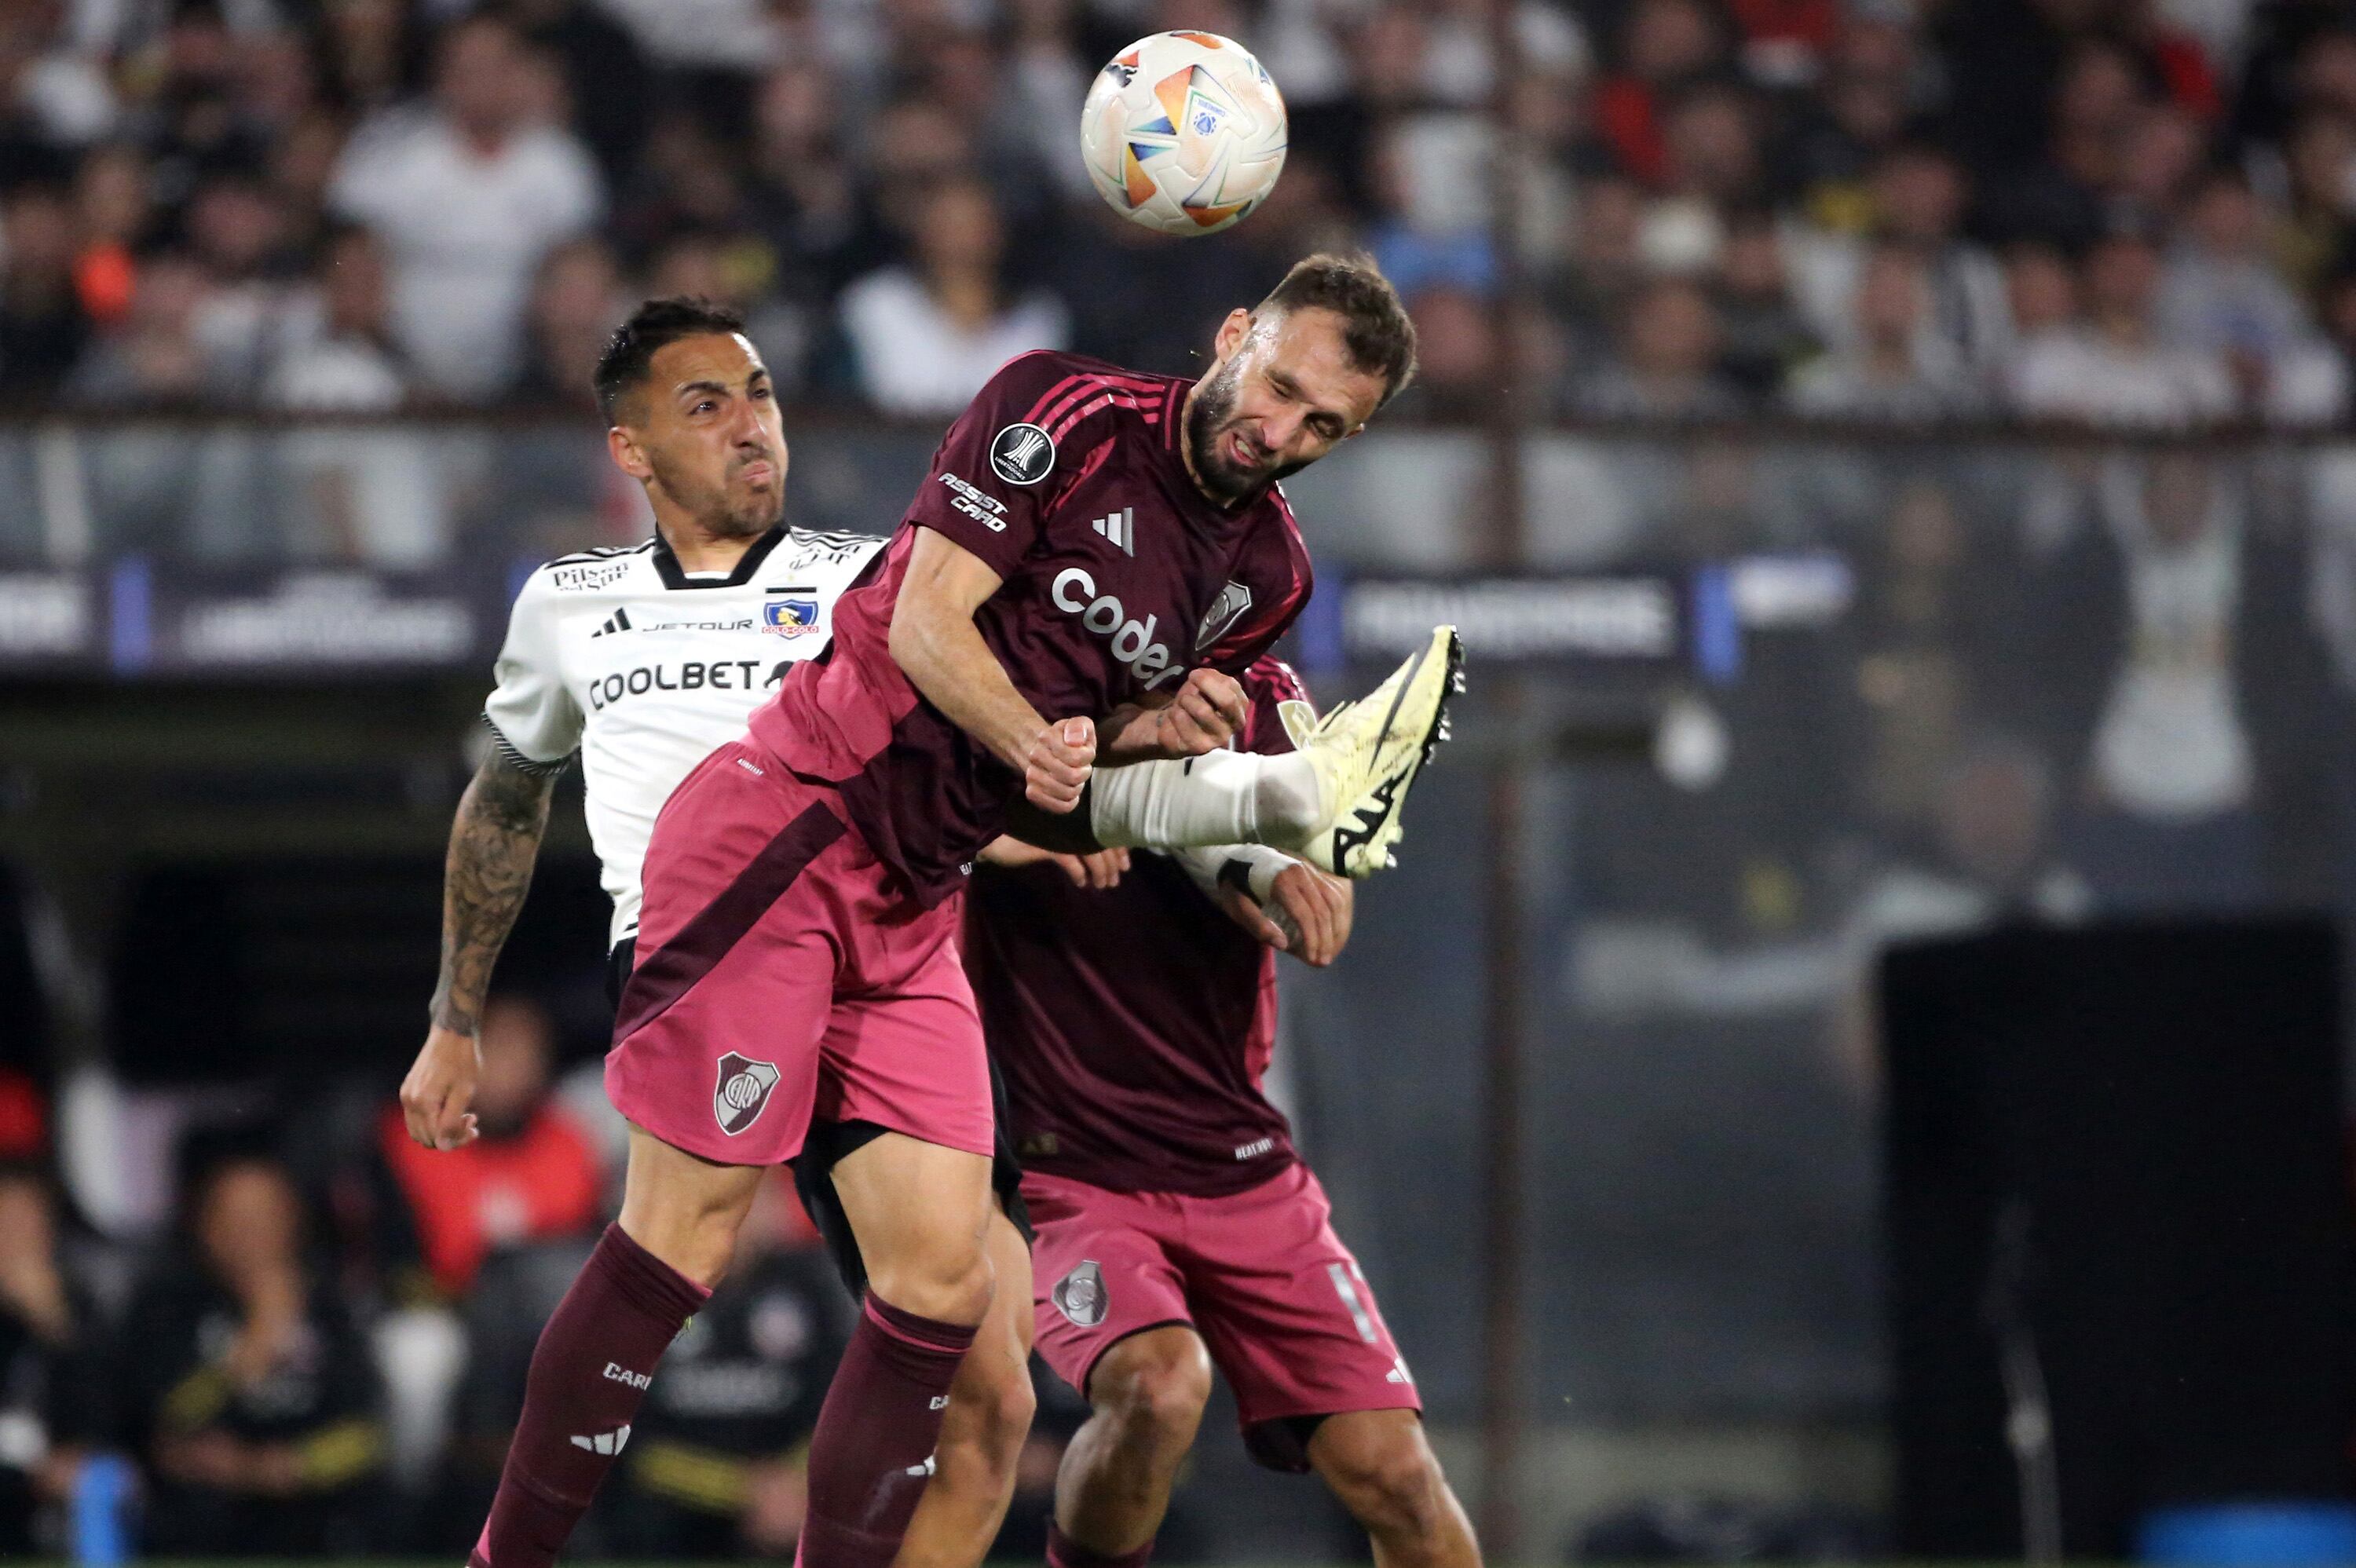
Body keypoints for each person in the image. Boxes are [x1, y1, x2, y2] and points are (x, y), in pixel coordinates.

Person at [407, 259, 1457, 1568]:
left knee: (949, 1298)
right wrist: (1055, 742)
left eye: (1324, 428)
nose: (1280, 433)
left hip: (915, 903)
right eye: (1282, 388)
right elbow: (923, 620)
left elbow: (1085, 781)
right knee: (685, 1232)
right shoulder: (1057, 413)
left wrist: (1214, 797)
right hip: (792, 831)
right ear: (1236, 337)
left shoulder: (1268, 575)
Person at [835, 656, 1481, 1568]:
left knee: (1399, 1478)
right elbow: (881, 803)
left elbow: (1306, 875)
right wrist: (1017, 828)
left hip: (1243, 1161)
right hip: (1072, 1174)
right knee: (1159, 1385)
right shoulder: (1006, 681)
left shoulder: (1253, 693)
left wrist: (1283, 872)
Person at [115, 1133, 388, 1556]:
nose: (250, 1234)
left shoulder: (329, 1305)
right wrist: (246, 1355)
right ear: (203, 1225)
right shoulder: (168, 1305)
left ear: (293, 1221)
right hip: (198, 1520)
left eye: (264, 1216)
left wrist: (278, 1467)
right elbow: (159, 1426)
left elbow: (367, 1434)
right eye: (234, 1218)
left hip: (314, 1513)